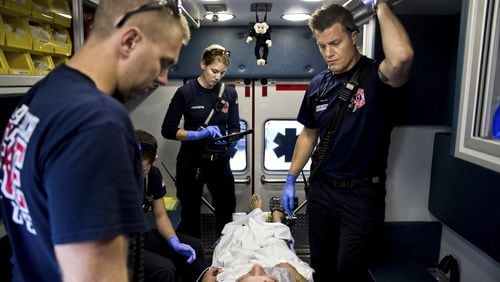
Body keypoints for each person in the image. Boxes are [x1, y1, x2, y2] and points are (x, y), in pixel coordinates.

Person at [0, 1, 190, 280]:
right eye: (163, 62)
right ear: (130, 40)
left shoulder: (40, 96)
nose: (163, 79)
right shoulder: (98, 121)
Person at [282, 2, 414, 281]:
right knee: (321, 265)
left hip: (361, 196)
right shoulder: (318, 84)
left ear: (353, 36)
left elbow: (402, 57)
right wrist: (291, 178)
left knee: (349, 271)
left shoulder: (376, 77)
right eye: (321, 46)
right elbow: (309, 133)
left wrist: (380, 5)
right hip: (322, 190)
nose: (328, 53)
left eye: (335, 43)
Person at [161, 44, 240, 238]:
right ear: (203, 64)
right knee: (190, 216)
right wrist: (195, 135)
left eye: (222, 73)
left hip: (220, 160)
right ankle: (192, 260)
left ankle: (224, 258)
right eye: (214, 71)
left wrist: (231, 142)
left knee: (225, 213)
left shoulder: (229, 93)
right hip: (192, 159)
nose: (217, 77)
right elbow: (168, 130)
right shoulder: (185, 93)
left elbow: (235, 128)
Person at [136, 129, 207, 281]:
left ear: (154, 159)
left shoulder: (153, 176)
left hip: (139, 237)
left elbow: (161, 216)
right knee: (164, 269)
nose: (134, 173)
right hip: (115, 245)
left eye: (141, 170)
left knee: (196, 246)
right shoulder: (112, 180)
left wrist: (173, 240)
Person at [199, 194, 314, 282]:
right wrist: (295, 274)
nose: (257, 267)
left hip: (237, 264)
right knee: (278, 246)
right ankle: (277, 219)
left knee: (239, 236)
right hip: (273, 263)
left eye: (249, 275)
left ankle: (256, 214)